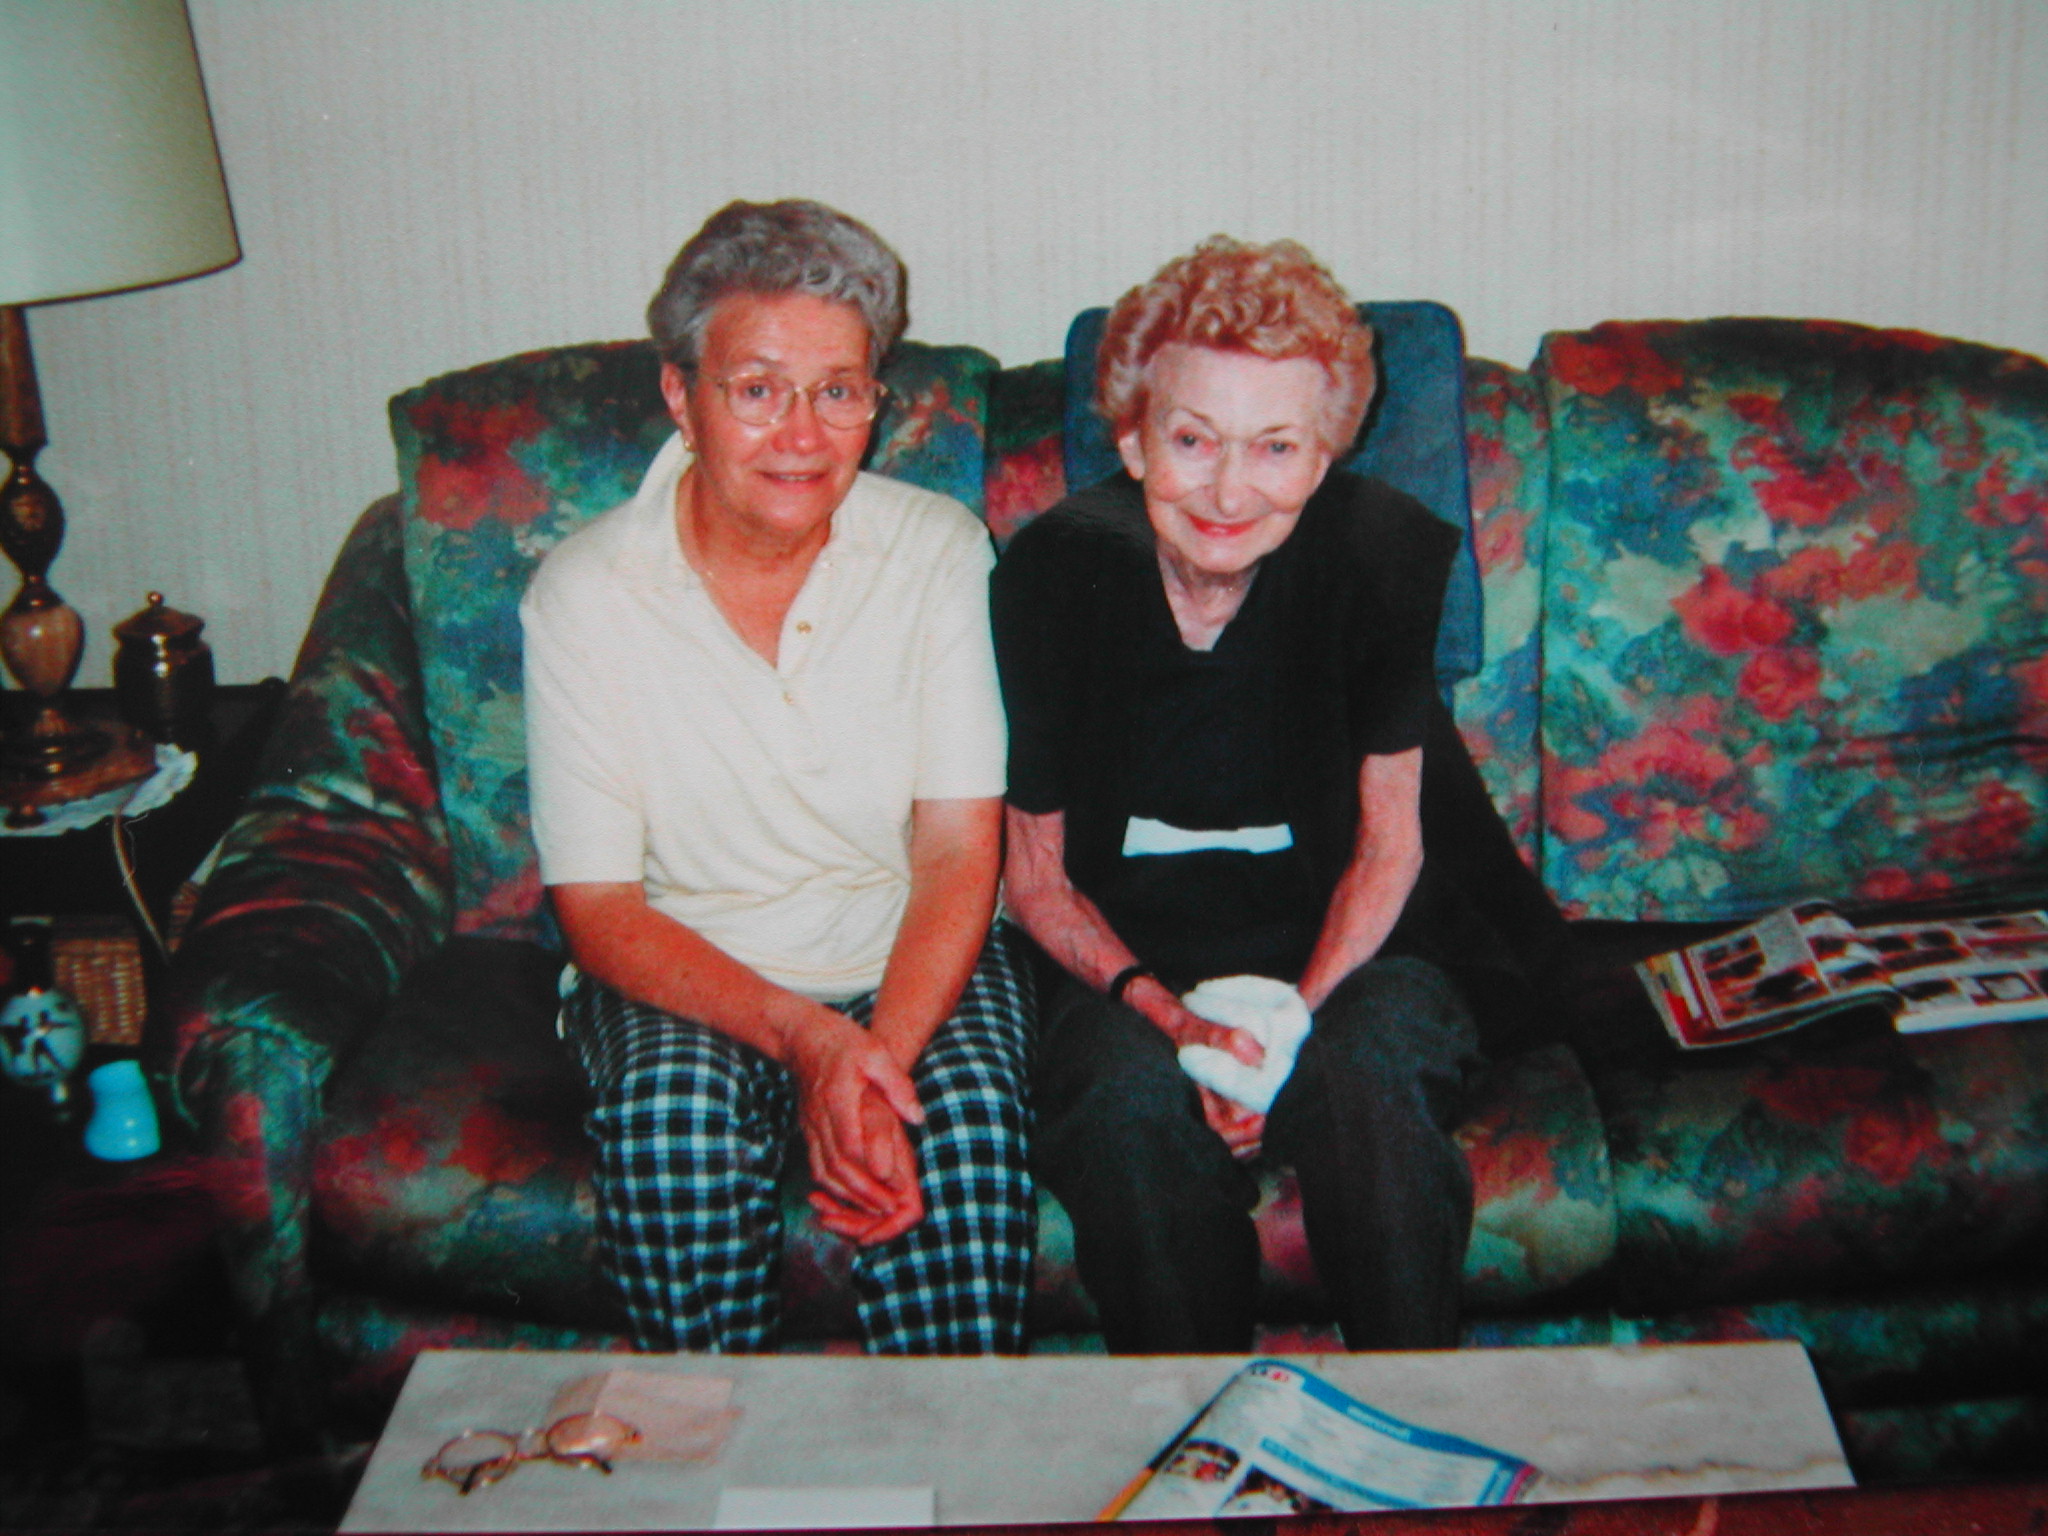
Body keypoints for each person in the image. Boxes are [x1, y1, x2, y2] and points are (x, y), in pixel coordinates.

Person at [992, 235, 1560, 1354]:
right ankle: (1200, 1432)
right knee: (1120, 1115)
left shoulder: (1377, 557)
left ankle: (1404, 1428)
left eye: (1276, 447)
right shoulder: (1051, 575)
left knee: (1369, 1087)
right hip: (1125, 955)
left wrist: (1285, 1025)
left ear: (1324, 456)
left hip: (1355, 944)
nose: (1228, 488)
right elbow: (1036, 876)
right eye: (1192, 439)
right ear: (1133, 440)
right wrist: (1175, 1022)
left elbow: (1390, 848)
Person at [522, 199, 1032, 1354]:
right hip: (691, 965)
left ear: (874, 401)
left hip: (907, 949)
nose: (801, 435)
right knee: (673, 1135)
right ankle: (709, 1440)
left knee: (958, 1137)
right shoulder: (585, 595)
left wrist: (873, 1064)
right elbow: (598, 908)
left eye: (837, 390)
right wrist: (809, 1043)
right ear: (680, 396)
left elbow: (958, 849)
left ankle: (946, 1450)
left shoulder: (936, 551)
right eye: (756, 390)